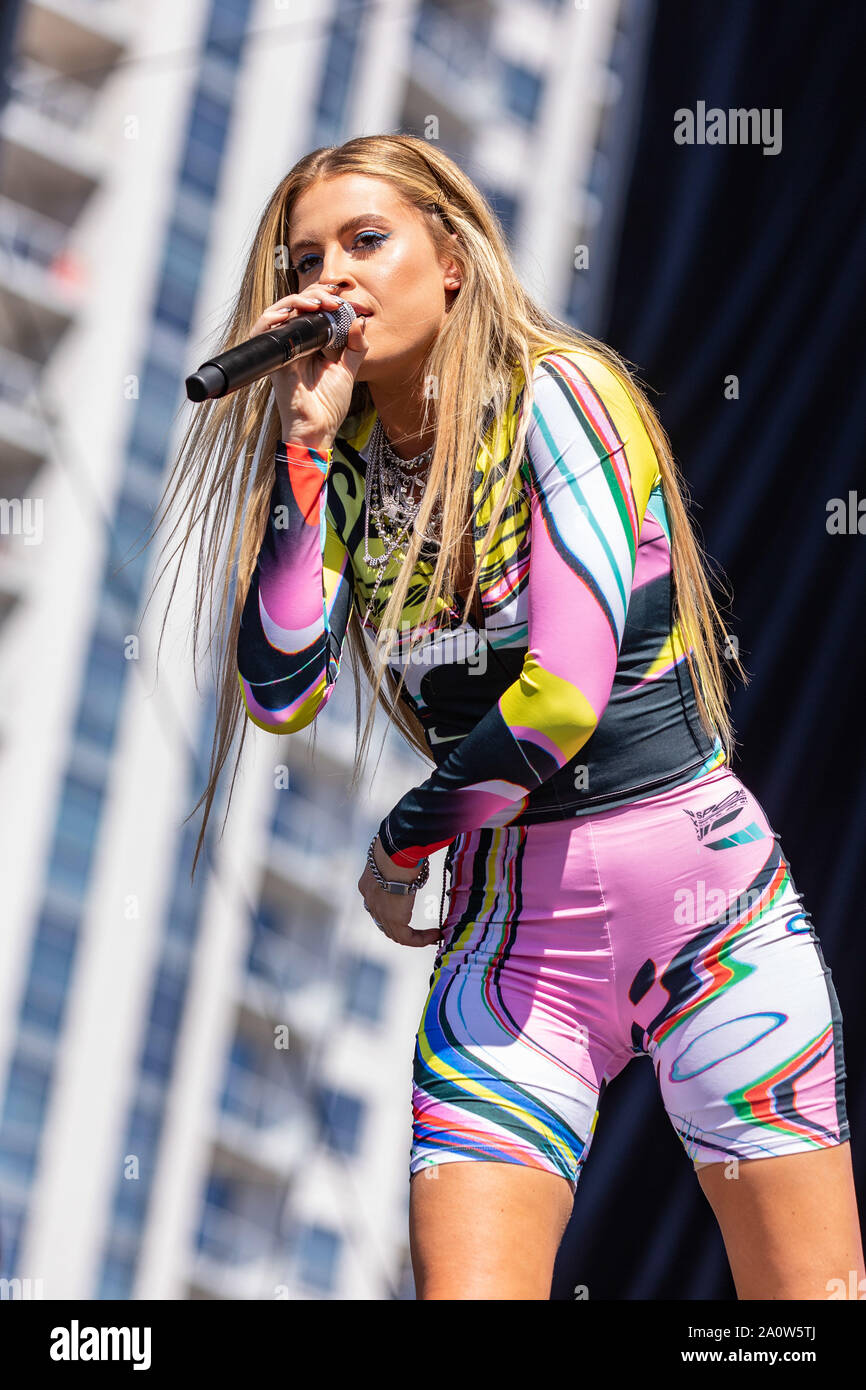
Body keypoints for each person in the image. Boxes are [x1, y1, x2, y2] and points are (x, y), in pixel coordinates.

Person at [155, 134, 863, 1300]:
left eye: (365, 241)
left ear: (451, 258)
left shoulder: (560, 392)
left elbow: (562, 700)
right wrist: (301, 445)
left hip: (709, 916)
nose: (330, 277)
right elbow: (280, 690)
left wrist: (402, 841)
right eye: (306, 256)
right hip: (514, 948)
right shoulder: (346, 476)